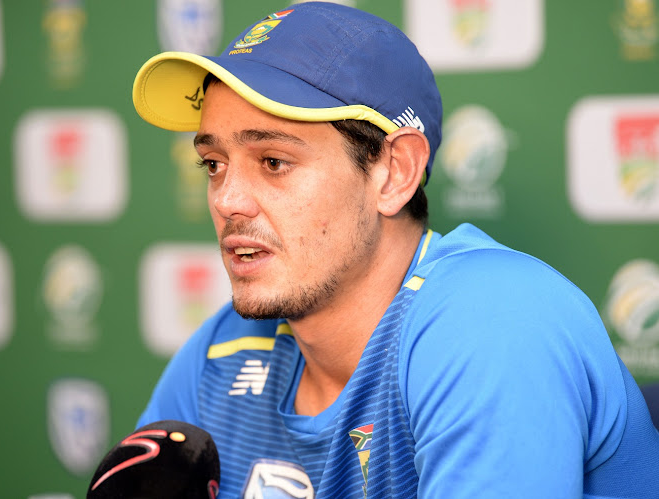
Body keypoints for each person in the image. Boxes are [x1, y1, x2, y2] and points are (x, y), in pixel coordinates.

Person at [131, 3, 659, 497]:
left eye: (273, 161)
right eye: (214, 164)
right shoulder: (224, 348)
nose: (227, 200)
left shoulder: (492, 318)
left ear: (395, 172)